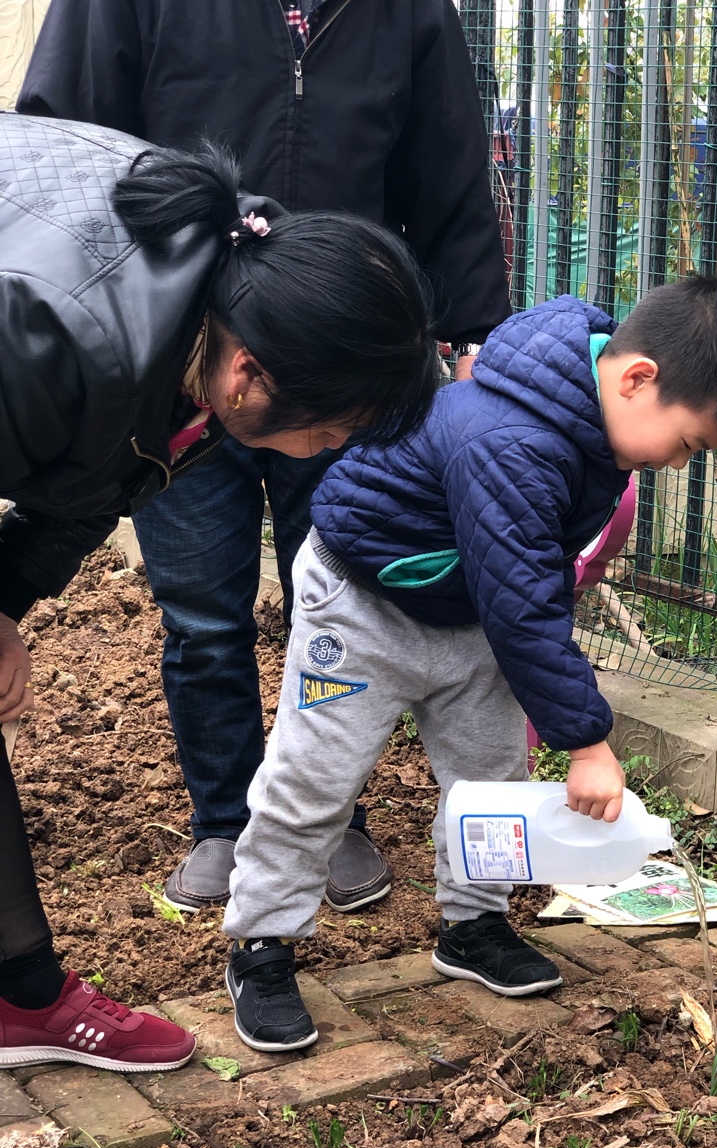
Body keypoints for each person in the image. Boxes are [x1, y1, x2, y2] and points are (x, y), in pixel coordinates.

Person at [17, 0, 512, 916]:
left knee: (342, 604)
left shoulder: (409, 13)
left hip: (337, 358)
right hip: (177, 340)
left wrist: (476, 331)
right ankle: (225, 819)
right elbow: (60, 137)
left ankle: (323, 814)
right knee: (203, 611)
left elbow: (449, 167)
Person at [219, 276, 717, 1052]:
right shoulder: (511, 440)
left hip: (470, 610)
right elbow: (525, 606)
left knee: (489, 780)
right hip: (364, 606)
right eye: (688, 444)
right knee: (314, 778)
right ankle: (262, 944)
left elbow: (522, 586)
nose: (679, 464)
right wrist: (587, 743)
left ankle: (473, 926)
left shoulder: (585, 417)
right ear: (637, 378)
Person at [0, 112, 438, 1071]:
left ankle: (20, 995)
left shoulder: (228, 295)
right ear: (250, 377)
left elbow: (99, 480)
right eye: (328, 434)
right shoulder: (58, 336)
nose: (323, 456)